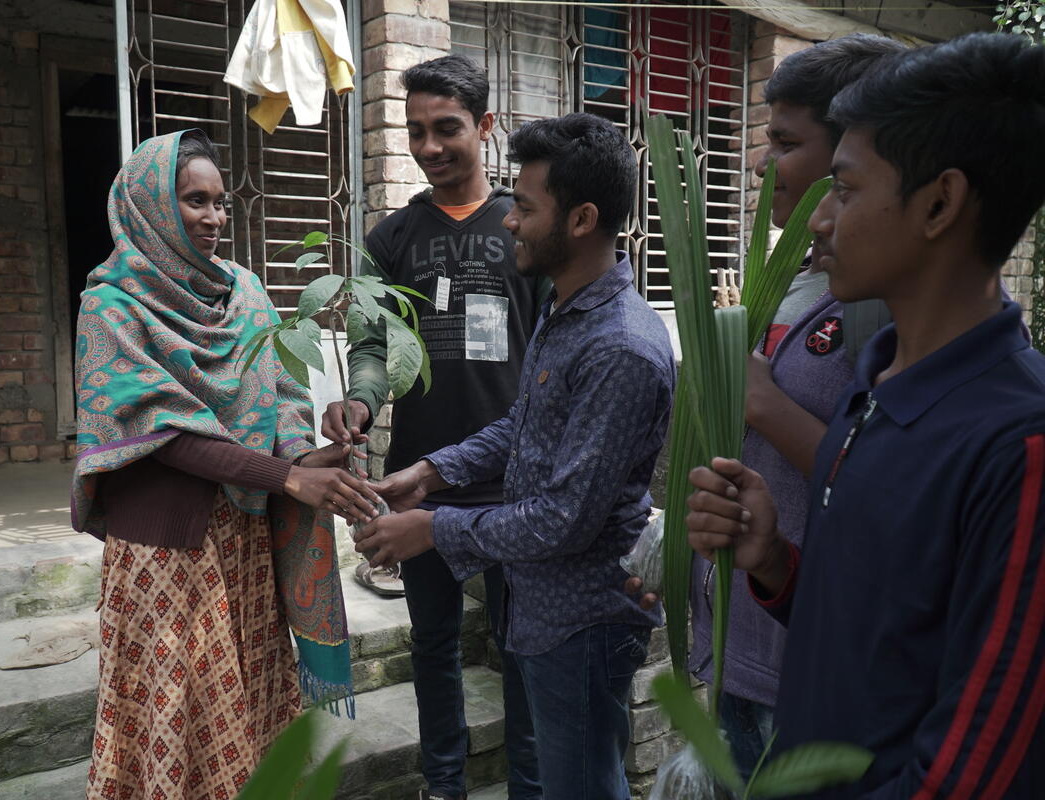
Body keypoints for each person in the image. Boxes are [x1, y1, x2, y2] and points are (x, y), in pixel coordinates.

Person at [685, 32, 1045, 797]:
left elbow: (976, 767)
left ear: (940, 202)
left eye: (844, 192)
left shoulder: (1020, 446)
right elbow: (876, 628)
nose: (818, 222)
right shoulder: (875, 386)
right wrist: (775, 562)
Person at [355, 112, 676, 800]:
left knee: (584, 785)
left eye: (525, 208)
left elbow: (563, 518)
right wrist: (435, 470)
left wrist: (433, 527)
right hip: (544, 612)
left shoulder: (619, 348)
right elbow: (520, 427)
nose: (507, 223)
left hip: (583, 622)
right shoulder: (567, 313)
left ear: (582, 218)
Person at [71, 129, 379, 800]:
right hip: (166, 555)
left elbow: (279, 391)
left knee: (247, 717)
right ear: (150, 206)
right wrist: (289, 476)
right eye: (193, 201)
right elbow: (162, 434)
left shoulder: (242, 289)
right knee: (177, 721)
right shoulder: (111, 307)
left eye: (219, 203)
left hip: (242, 541)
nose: (213, 219)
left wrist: (308, 452)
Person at [320, 54, 546, 800]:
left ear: (485, 126)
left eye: (446, 128)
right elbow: (376, 344)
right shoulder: (393, 239)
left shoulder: (526, 226)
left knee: (522, 647)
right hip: (419, 479)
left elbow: (552, 348)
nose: (428, 146)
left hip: (516, 477)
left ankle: (531, 786)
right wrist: (359, 398)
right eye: (415, 131)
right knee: (436, 644)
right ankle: (443, 785)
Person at [684, 34, 906, 781]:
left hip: (806, 665)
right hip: (741, 643)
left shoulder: (878, 303)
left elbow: (889, 482)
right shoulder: (793, 282)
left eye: (784, 141)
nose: (759, 163)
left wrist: (760, 399)